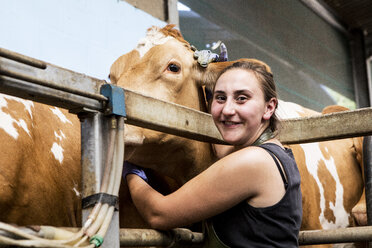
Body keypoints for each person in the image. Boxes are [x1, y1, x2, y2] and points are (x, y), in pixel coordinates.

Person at [124, 60, 302, 247]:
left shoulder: (254, 161)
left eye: (242, 98)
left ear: (269, 107)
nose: (227, 110)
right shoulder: (275, 151)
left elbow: (158, 214)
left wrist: (131, 169)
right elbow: (221, 151)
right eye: (220, 98)